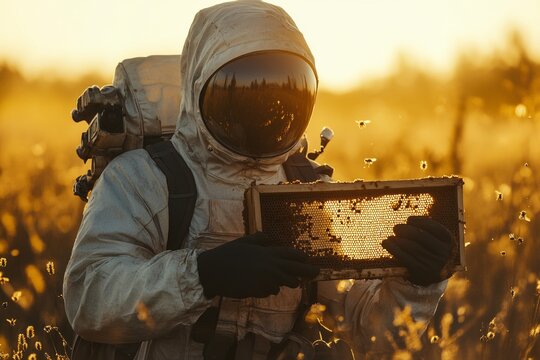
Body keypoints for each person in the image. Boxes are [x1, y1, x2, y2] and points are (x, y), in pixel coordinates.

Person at [63, 1, 453, 359]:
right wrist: (202, 274)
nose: (265, 107)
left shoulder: (308, 190)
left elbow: (371, 333)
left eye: (283, 90)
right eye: (246, 89)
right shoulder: (144, 177)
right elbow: (89, 298)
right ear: (200, 84)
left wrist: (416, 285)